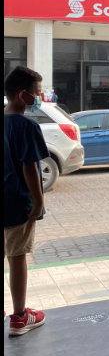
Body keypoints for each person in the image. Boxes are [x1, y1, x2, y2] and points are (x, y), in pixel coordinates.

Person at [4, 66, 49, 336]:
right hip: (17, 203)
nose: (39, 98)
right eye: (36, 93)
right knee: (16, 257)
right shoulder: (28, 125)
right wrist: (38, 201)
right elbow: (29, 167)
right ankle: (20, 317)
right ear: (23, 95)